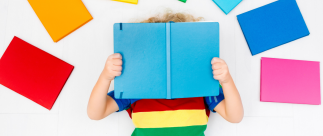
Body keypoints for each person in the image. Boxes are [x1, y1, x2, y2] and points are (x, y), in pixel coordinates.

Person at [87, 11, 244, 136]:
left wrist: (226, 80)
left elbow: (235, 117)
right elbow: (95, 113)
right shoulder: (135, 87)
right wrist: (106, 77)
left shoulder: (202, 86)